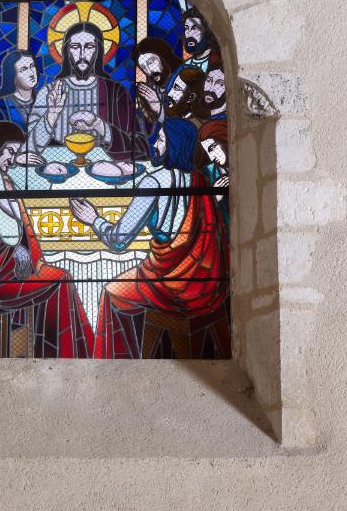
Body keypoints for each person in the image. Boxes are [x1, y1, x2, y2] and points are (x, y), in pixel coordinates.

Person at [70, 117, 229, 359]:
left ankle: (116, 367)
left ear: (174, 146)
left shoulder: (153, 182)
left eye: (161, 140)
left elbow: (119, 240)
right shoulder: (201, 180)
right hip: (206, 284)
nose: (155, 144)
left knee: (111, 293)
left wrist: (94, 219)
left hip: (167, 282)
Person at [0, 121, 94, 358]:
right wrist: (11, 198)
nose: (12, 160)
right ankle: (61, 356)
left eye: (16, 153)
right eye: (10, 151)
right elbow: (11, 235)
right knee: (61, 279)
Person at [28, 22, 147, 160]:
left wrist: (99, 125)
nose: (82, 54)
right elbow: (29, 149)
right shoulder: (50, 92)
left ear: (98, 51)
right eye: (75, 47)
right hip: (56, 167)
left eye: (89, 47)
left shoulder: (115, 93)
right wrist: (51, 115)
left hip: (106, 167)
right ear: (67, 51)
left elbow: (139, 146)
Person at [198, 119, 230, 230]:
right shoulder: (210, 172)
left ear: (224, 139)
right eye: (207, 152)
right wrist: (216, 197)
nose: (211, 157)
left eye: (212, 148)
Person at [181, 7, 219, 74]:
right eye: (186, 28)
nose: (189, 34)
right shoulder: (186, 65)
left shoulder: (217, 61)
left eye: (195, 28)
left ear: (207, 31)